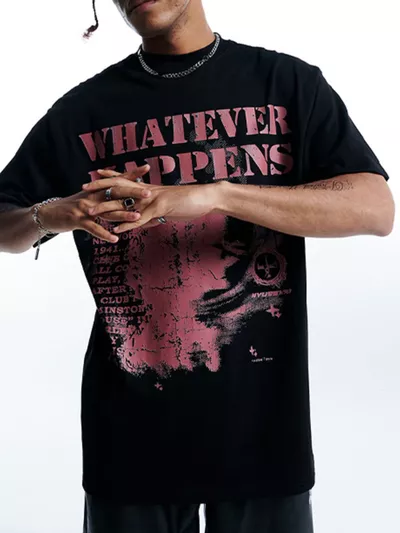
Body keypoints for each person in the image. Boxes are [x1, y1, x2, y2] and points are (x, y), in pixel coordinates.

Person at [0, 0, 395, 531]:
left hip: (262, 434)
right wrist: (52, 213)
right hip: (132, 438)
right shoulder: (82, 111)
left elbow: (374, 208)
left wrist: (218, 194)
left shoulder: (285, 85)